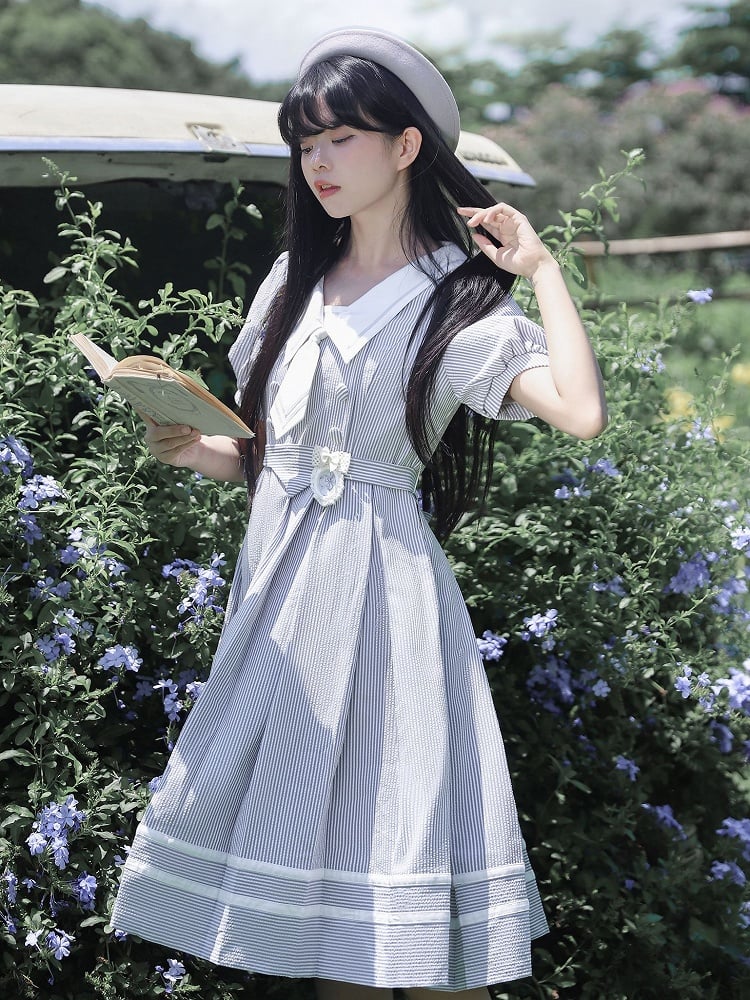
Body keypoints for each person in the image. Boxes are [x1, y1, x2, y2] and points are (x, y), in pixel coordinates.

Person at [110, 26, 607, 1000]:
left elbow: (581, 415)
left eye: (342, 137)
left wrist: (543, 271)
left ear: (407, 146)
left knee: (400, 895)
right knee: (325, 924)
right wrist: (193, 446)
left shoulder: (451, 302)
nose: (320, 161)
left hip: (384, 615)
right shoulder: (292, 287)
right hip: (283, 612)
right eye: (307, 143)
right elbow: (267, 458)